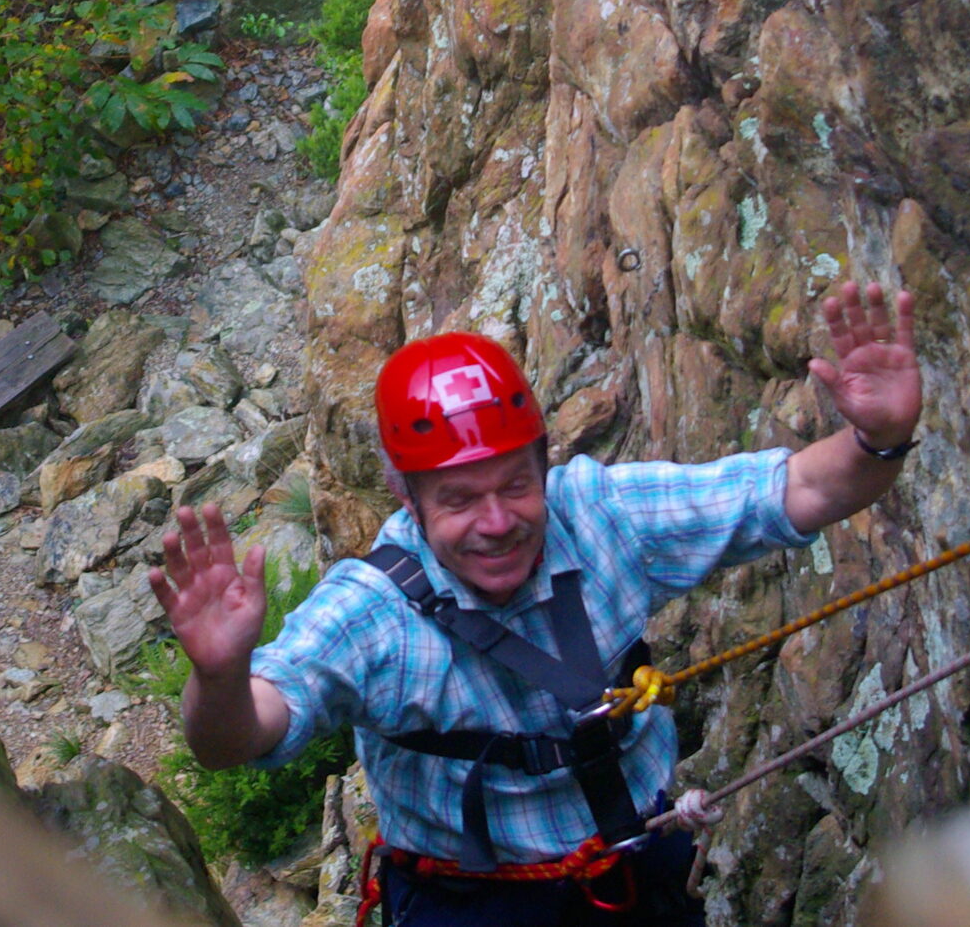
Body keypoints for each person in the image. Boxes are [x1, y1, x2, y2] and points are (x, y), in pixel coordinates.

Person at [147, 280, 924, 925]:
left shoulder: (598, 517)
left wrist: (878, 440)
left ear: (545, 464)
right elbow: (240, 737)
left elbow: (797, 491)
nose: (496, 523)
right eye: (458, 500)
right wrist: (219, 674)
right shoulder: (375, 613)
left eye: (517, 485)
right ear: (405, 498)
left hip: (635, 864)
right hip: (472, 903)